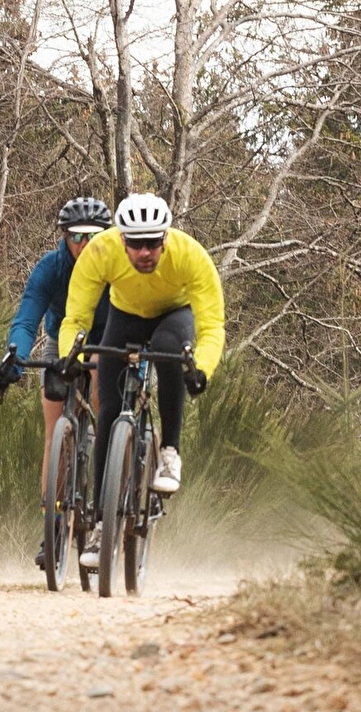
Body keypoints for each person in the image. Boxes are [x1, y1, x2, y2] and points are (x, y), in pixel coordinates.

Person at [56, 193, 223, 568]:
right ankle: (102, 526)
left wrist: (202, 369)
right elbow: (76, 319)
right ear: (121, 240)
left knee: (169, 350)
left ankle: (169, 454)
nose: (145, 252)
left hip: (174, 314)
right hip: (124, 315)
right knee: (110, 412)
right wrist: (71, 355)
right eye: (136, 244)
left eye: (153, 243)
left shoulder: (191, 256)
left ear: (166, 238)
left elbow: (212, 325)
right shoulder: (101, 252)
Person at [0, 196, 113, 568]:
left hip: (106, 339)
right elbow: (27, 318)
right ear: (63, 236)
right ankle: (54, 525)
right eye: (77, 236)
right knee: (53, 427)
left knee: (102, 390)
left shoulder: (116, 266)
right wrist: (14, 355)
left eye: (95, 236)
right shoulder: (50, 267)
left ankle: (108, 493)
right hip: (62, 340)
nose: (85, 245)